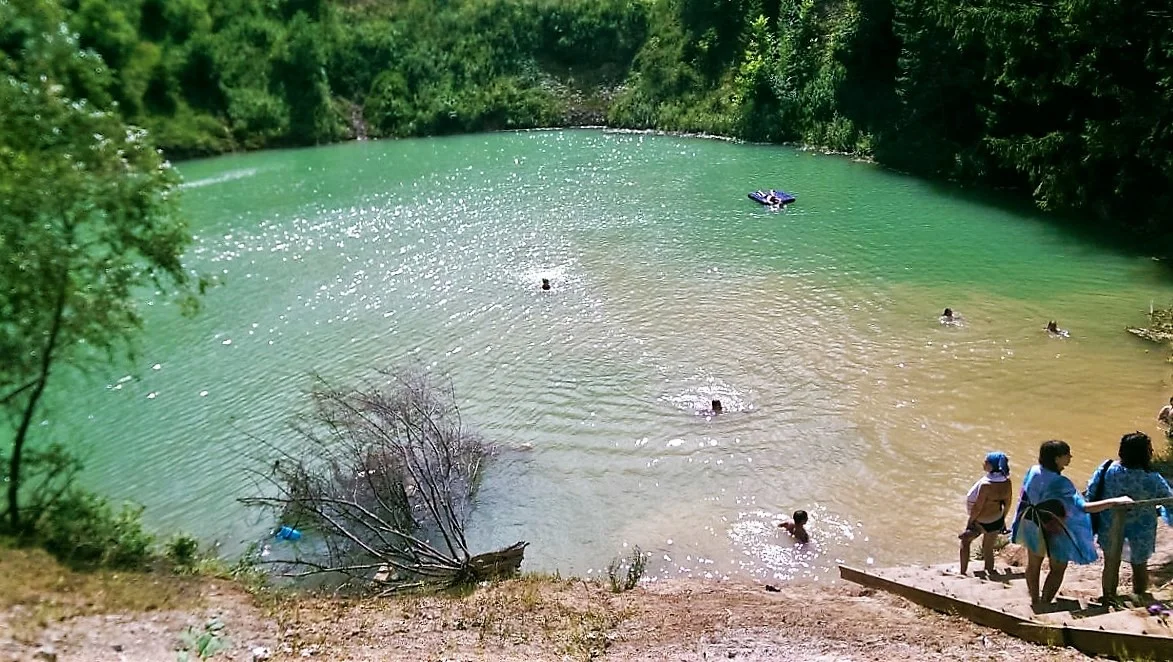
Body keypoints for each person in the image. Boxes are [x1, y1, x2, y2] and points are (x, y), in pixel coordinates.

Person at [1010, 440, 1132, 607]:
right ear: (1057, 458)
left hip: (1031, 523)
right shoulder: (1061, 482)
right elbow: (1084, 508)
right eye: (1067, 454)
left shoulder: (1034, 470)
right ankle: (1045, 602)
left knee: (1034, 564)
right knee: (1058, 568)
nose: (1070, 456)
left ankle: (1035, 601)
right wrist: (1114, 501)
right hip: (1054, 530)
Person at [1085, 432, 1173, 600]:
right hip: (1141, 529)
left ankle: (1109, 597)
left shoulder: (1106, 469)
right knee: (1139, 565)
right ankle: (1139, 597)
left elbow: (1091, 491)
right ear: (1145, 453)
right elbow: (1169, 501)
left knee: (1110, 563)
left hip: (1109, 524)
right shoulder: (1152, 479)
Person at [959, 452, 1013, 576]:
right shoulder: (1007, 482)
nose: (983, 463)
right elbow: (1008, 503)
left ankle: (962, 572)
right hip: (997, 519)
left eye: (986, 462)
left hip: (982, 521)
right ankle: (989, 571)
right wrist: (1002, 519)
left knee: (965, 542)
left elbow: (978, 506)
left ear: (991, 466)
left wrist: (971, 521)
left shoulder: (986, 485)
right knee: (988, 548)